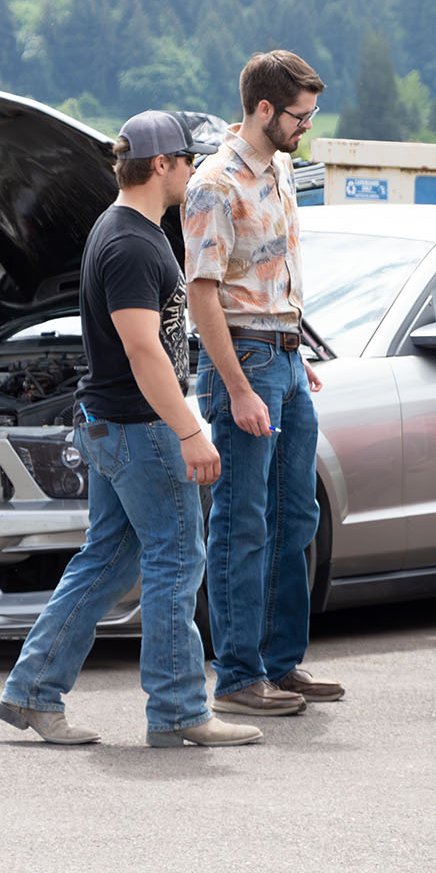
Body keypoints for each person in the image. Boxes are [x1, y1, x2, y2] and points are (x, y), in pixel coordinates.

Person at [0, 111, 262, 748]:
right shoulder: (131, 244)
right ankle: (177, 713)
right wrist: (191, 430)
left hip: (115, 424)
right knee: (177, 563)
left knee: (107, 564)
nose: (194, 171)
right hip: (141, 429)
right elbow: (145, 351)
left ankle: (33, 693)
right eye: (188, 160)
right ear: (162, 165)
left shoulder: (122, 231)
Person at [184, 50, 343, 717]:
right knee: (241, 521)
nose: (307, 127)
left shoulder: (277, 167)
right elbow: (201, 294)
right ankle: (239, 675)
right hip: (243, 363)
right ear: (265, 109)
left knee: (296, 513)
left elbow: (271, 276)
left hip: (282, 355)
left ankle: (281, 663)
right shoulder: (215, 183)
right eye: (300, 116)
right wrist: (240, 385)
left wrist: (292, 350)